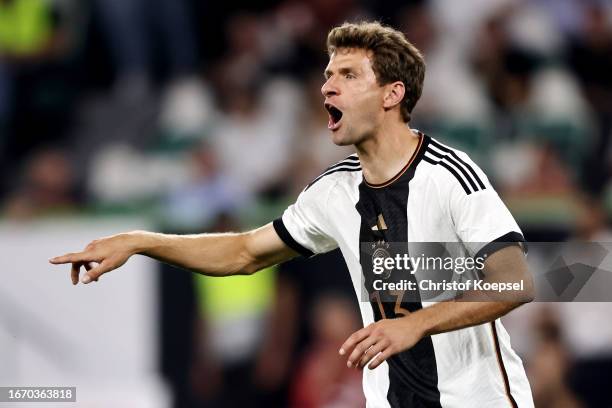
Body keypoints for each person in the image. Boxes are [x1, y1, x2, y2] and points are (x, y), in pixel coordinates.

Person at [50, 21, 535, 407]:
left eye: (348, 75)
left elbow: (516, 281)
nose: (328, 87)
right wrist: (140, 241)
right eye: (327, 75)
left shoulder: (449, 174)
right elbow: (242, 252)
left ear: (392, 95)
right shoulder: (331, 191)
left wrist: (415, 324)